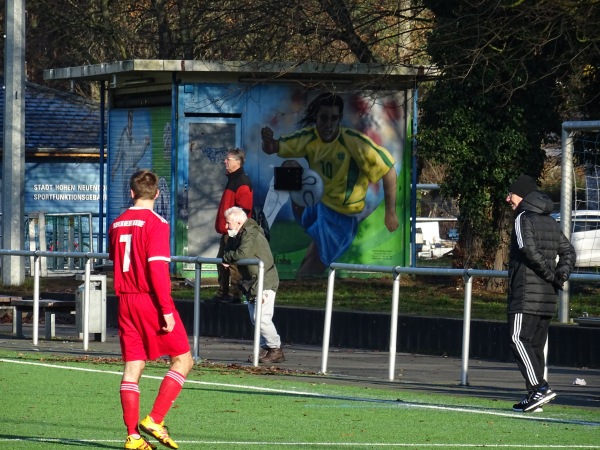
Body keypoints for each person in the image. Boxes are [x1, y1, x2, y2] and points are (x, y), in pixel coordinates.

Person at [261, 92, 399, 278]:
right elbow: (272, 149)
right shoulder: (309, 138)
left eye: (334, 118)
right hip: (316, 208)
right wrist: (268, 141)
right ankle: (270, 213)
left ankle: (308, 302)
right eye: (324, 117)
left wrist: (390, 212)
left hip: (341, 219)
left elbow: (389, 170)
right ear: (316, 116)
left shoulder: (353, 142)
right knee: (289, 166)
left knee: (307, 272)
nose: (328, 124)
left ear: (339, 119)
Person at [109, 169, 194, 450]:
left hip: (124, 299)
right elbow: (157, 269)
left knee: (133, 366)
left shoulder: (118, 223)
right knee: (183, 359)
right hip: (149, 301)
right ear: (157, 194)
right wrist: (166, 309)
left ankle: (133, 437)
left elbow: (118, 260)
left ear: (131, 193)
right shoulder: (157, 223)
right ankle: (155, 420)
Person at [505, 174, 576, 413]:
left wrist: (549, 274)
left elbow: (527, 249)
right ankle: (535, 397)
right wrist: (559, 277)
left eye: (511, 193)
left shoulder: (522, 217)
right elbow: (569, 252)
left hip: (526, 294)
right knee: (534, 346)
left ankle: (539, 388)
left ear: (522, 196)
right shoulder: (550, 221)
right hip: (547, 296)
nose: (508, 199)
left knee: (518, 339)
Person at [221, 206, 285, 364]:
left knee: (261, 317)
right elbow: (229, 251)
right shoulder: (239, 233)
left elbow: (243, 254)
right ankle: (266, 348)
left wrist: (228, 257)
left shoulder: (251, 232)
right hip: (252, 281)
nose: (226, 226)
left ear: (238, 221)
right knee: (255, 318)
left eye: (228, 223)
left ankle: (275, 348)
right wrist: (228, 256)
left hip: (264, 279)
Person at [214, 148, 253, 303]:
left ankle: (234, 294)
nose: (225, 161)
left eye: (228, 159)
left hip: (233, 232)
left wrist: (234, 230)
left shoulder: (242, 182)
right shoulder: (233, 180)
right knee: (221, 261)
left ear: (238, 162)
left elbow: (244, 211)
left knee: (233, 264)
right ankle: (223, 292)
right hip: (227, 231)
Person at [111, 110, 151, 211]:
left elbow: (137, 151)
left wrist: (145, 143)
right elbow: (120, 155)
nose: (131, 125)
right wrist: (114, 169)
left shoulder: (131, 143)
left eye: (131, 119)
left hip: (131, 174)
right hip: (127, 175)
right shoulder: (124, 142)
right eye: (130, 119)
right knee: (128, 197)